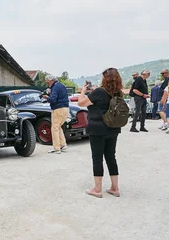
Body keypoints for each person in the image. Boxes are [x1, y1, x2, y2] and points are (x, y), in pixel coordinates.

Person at [78, 68, 122, 198]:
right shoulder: (118, 92)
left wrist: (83, 91)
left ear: (105, 79)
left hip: (97, 129)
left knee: (97, 158)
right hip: (113, 128)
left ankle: (97, 189)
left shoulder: (99, 92)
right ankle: (115, 188)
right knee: (111, 157)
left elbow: (81, 103)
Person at [42, 74, 69, 154]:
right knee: (58, 127)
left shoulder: (55, 87)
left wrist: (47, 97)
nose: (47, 84)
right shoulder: (61, 86)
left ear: (52, 80)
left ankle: (57, 148)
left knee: (54, 128)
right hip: (66, 108)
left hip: (58, 109)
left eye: (48, 82)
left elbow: (53, 100)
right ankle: (63, 145)